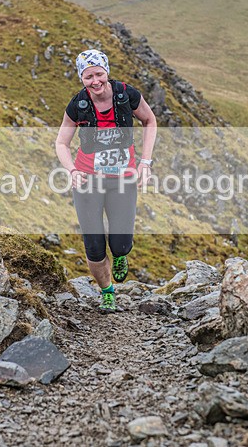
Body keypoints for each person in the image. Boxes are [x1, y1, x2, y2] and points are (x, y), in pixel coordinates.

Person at [55, 49, 157, 314]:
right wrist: (72, 170)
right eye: (88, 76)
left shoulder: (127, 94)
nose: (95, 81)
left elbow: (149, 120)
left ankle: (121, 256)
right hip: (87, 181)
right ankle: (107, 292)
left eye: (99, 74)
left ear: (107, 72)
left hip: (123, 179)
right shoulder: (77, 105)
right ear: (82, 78)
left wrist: (145, 162)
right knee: (94, 246)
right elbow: (61, 143)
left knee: (121, 244)